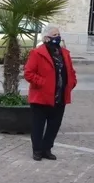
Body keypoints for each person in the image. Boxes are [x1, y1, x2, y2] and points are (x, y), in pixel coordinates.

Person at [24, 26, 77, 161]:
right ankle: (37, 150)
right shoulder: (37, 53)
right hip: (41, 97)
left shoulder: (64, 53)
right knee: (38, 126)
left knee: (54, 126)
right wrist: (43, 83)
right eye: (54, 35)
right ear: (46, 38)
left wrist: (71, 83)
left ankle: (47, 149)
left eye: (58, 34)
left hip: (59, 96)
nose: (58, 37)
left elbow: (71, 71)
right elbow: (28, 73)